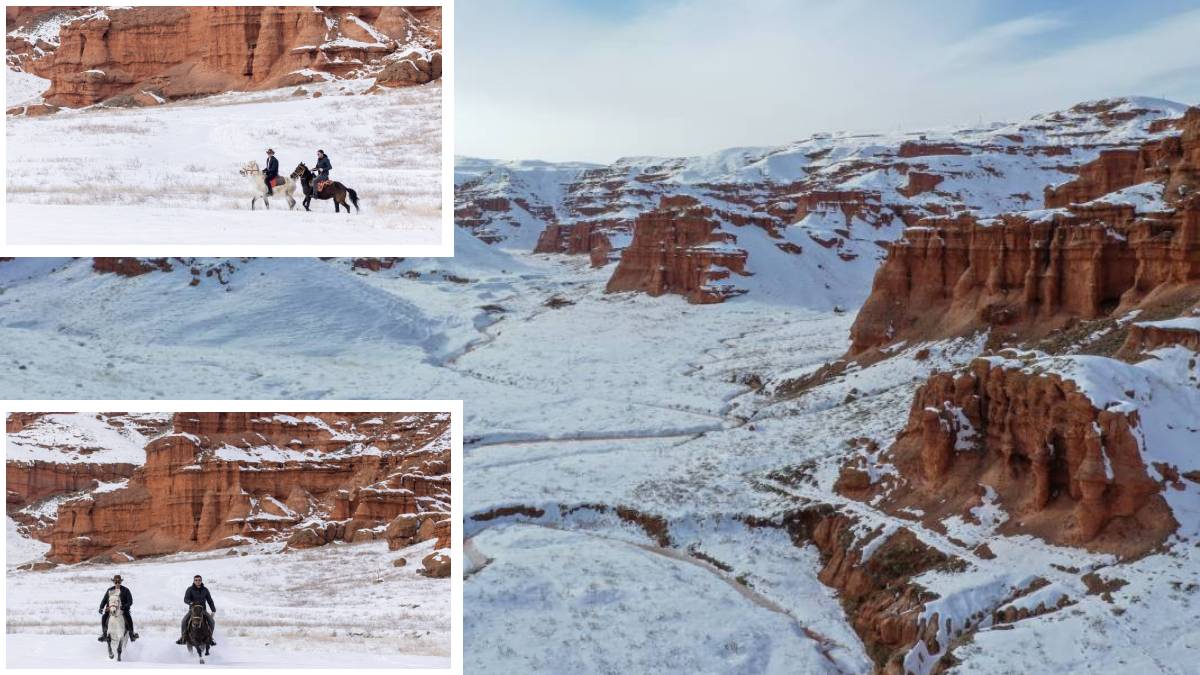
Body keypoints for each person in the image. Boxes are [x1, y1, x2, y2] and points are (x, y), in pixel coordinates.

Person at [176, 574, 217, 646]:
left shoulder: (205, 590)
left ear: (201, 581)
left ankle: (210, 638)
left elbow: (210, 600)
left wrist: (213, 610)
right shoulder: (190, 589)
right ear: (194, 581)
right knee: (184, 621)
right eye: (196, 580)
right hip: (193, 611)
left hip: (203, 611)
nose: (198, 581)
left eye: (199, 580)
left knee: (212, 621)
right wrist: (190, 602)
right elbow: (185, 599)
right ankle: (183, 637)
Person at [97, 574, 139, 642]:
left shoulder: (125, 590)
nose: (117, 583)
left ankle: (132, 634)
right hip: (110, 610)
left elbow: (130, 601)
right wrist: (101, 607)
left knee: (128, 618)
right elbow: (104, 600)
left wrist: (125, 606)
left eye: (118, 582)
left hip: (123, 610)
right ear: (113, 582)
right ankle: (104, 634)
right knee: (104, 617)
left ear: (120, 582)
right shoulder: (110, 590)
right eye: (115, 582)